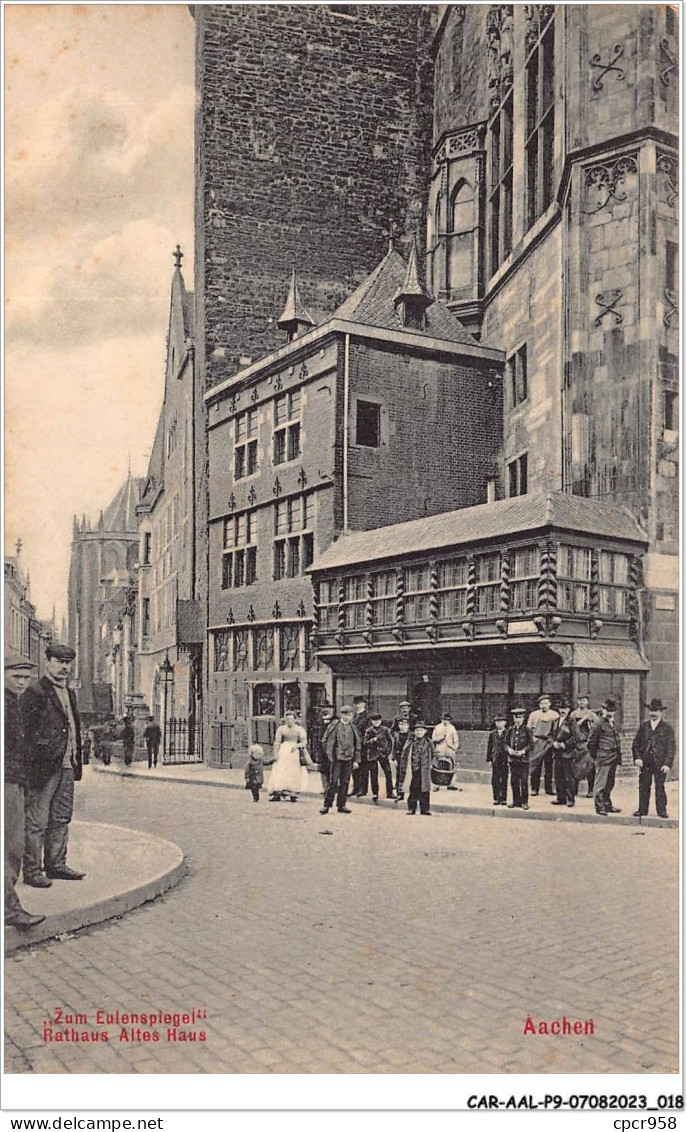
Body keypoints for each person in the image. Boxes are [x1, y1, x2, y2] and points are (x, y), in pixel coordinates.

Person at [22, 643, 85, 886]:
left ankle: (56, 865)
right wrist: (36, 760)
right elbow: (24, 734)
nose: (64, 667)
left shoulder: (69, 693)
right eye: (59, 662)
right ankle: (32, 871)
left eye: (68, 662)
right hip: (43, 767)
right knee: (37, 821)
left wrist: (76, 759)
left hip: (68, 764)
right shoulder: (35, 692)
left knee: (61, 818)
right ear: (47, 662)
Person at [5, 657, 45, 930]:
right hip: (7, 782)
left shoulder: (16, 705)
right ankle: (9, 911)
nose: (21, 682)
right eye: (15, 676)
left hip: (17, 781)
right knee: (11, 848)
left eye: (26, 678)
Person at [632, 698, 675, 819]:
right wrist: (637, 758)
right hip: (645, 762)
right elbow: (636, 744)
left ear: (661, 712)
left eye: (656, 711)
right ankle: (642, 810)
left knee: (660, 786)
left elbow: (671, 747)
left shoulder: (667, 728)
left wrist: (667, 764)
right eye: (651, 710)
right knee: (643, 786)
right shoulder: (644, 727)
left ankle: (661, 810)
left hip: (660, 763)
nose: (653, 713)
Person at [320, 704, 361, 815]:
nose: (347, 717)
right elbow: (324, 740)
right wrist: (330, 754)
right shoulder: (334, 726)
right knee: (333, 782)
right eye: (345, 714)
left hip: (349, 759)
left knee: (345, 782)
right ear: (341, 715)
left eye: (349, 714)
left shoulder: (353, 727)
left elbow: (358, 744)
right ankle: (326, 805)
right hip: (337, 759)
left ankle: (341, 805)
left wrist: (356, 760)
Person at [587, 698, 622, 816]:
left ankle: (607, 805)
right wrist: (597, 756)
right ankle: (599, 807)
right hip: (603, 757)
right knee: (600, 784)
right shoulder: (598, 723)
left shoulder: (612, 723)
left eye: (612, 711)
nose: (610, 713)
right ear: (603, 710)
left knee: (610, 783)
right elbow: (591, 742)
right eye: (608, 710)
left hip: (614, 757)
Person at [268, 711, 309, 802]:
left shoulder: (299, 729)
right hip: (283, 751)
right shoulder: (281, 729)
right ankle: (277, 792)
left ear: (295, 719)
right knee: (280, 770)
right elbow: (277, 741)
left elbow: (304, 742)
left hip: (294, 753)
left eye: (291, 719)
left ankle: (293, 793)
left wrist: (297, 746)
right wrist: (275, 753)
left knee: (293, 771)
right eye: (287, 719)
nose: (289, 721)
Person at [398, 721, 434, 816]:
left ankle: (425, 809)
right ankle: (411, 808)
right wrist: (404, 767)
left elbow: (435, 755)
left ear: (425, 731)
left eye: (421, 730)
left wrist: (432, 764)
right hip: (413, 769)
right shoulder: (411, 742)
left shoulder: (429, 742)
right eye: (417, 730)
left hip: (425, 770)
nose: (419, 732)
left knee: (425, 790)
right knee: (414, 789)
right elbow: (404, 755)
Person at [527, 694, 559, 796]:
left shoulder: (554, 715)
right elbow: (528, 729)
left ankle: (548, 788)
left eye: (545, 703)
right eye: (541, 703)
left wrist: (553, 741)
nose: (543, 705)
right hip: (537, 741)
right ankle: (534, 788)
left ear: (550, 704)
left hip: (548, 742)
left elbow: (557, 730)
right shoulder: (534, 714)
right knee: (536, 766)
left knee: (549, 766)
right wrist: (533, 739)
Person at [360, 712, 395, 802]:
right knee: (373, 774)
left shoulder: (385, 730)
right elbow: (365, 743)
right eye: (374, 721)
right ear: (371, 721)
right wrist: (373, 740)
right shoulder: (369, 731)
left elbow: (391, 742)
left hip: (383, 754)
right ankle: (375, 793)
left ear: (381, 721)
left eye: (378, 721)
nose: (376, 723)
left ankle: (390, 792)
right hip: (372, 755)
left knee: (388, 773)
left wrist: (388, 752)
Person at [570, 694, 599, 797]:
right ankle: (574, 790)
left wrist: (590, 720)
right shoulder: (573, 714)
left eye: (584, 700)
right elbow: (572, 727)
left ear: (587, 702)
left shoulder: (591, 714)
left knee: (590, 767)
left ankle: (590, 790)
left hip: (587, 743)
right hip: (577, 743)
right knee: (576, 766)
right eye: (580, 700)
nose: (582, 702)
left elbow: (597, 725)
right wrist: (583, 719)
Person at [550, 699, 576, 807]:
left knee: (568, 777)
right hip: (557, 754)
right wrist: (553, 742)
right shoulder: (555, 721)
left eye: (565, 708)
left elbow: (576, 737)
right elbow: (550, 735)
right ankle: (561, 798)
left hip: (567, 753)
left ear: (569, 709)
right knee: (558, 776)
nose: (562, 710)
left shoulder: (572, 721)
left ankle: (570, 799)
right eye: (561, 708)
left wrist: (564, 744)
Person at [505, 706, 533, 810]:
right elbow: (505, 743)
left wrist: (523, 751)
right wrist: (509, 750)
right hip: (513, 760)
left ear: (523, 718)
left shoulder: (527, 730)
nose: (518, 719)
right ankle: (516, 801)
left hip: (523, 760)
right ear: (513, 718)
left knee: (524, 781)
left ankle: (524, 802)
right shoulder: (510, 730)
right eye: (516, 717)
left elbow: (531, 744)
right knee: (514, 781)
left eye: (520, 717)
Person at [309, 704, 336, 794]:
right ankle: (326, 788)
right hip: (321, 750)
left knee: (334, 769)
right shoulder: (319, 721)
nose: (325, 711)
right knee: (323, 769)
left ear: (332, 710)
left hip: (332, 750)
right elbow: (316, 736)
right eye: (324, 709)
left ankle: (334, 788)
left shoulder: (336, 721)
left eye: (328, 709)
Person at [431, 711, 460, 791]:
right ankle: (436, 784)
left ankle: (451, 784)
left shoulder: (452, 728)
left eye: (447, 720)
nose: (445, 721)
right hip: (440, 749)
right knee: (438, 766)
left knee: (451, 766)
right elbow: (433, 739)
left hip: (449, 749)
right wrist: (440, 738)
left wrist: (454, 748)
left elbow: (456, 740)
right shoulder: (437, 727)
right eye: (444, 719)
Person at [486, 713, 509, 805]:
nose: (499, 724)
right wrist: (489, 758)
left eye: (501, 722)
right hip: (495, 758)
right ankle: (496, 798)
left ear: (505, 723)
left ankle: (503, 798)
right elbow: (489, 746)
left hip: (505, 759)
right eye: (497, 722)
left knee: (504, 778)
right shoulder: (492, 734)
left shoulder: (508, 732)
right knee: (495, 779)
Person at [351, 696, 371, 795]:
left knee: (363, 768)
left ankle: (363, 790)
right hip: (353, 746)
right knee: (354, 768)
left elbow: (367, 732)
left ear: (364, 704)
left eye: (359, 703)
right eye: (355, 704)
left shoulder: (367, 717)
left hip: (363, 746)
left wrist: (361, 742)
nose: (356, 706)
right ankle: (355, 788)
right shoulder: (353, 716)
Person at [392, 717, 411, 802]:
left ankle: (412, 795)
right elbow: (394, 747)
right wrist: (394, 759)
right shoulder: (396, 735)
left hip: (409, 758)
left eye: (405, 724)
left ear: (408, 725)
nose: (403, 726)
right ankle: (399, 794)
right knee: (399, 776)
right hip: (399, 758)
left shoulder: (412, 735)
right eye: (401, 724)